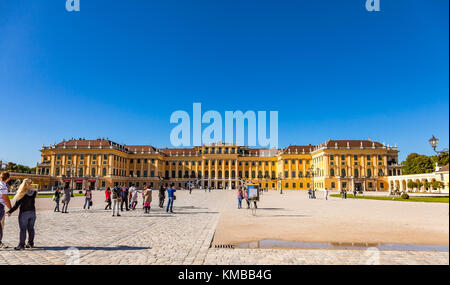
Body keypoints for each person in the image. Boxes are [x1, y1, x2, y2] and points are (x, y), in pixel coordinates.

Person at [6, 179, 36, 250]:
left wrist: (10, 211)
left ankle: (21, 245)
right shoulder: (34, 192)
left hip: (24, 213)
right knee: (31, 228)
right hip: (32, 213)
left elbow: (16, 206)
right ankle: (30, 243)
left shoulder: (22, 193)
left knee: (23, 229)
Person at [0, 172, 12, 249]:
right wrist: (11, 209)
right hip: (0, 206)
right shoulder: (3, 186)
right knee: (0, 225)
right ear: (8, 178)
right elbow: (6, 199)